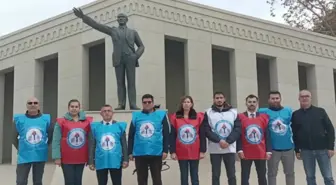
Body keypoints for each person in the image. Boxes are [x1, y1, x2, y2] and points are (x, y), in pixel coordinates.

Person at [73, 7, 144, 110]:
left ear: (126, 19)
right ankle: (121, 104)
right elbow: (97, 26)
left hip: (130, 59)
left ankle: (133, 104)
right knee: (120, 83)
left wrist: (136, 56)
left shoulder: (133, 32)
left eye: (123, 17)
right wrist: (84, 17)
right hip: (118, 59)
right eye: (119, 18)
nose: (121, 19)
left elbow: (141, 46)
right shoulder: (113, 31)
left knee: (131, 82)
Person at [291, 89, 335, 185]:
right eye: (302, 96)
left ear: (311, 98)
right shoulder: (295, 115)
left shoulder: (320, 111)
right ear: (299, 99)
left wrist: (331, 147)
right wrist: (297, 150)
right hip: (306, 151)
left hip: (322, 149)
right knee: (310, 177)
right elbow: (294, 133)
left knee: (328, 176)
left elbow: (330, 130)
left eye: (307, 96)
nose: (304, 98)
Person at [128, 94, 169, 185]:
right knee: (141, 180)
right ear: (142, 104)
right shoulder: (136, 116)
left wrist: (165, 150)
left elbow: (166, 134)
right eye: (144, 102)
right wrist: (130, 152)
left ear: (153, 103)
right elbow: (131, 135)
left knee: (157, 179)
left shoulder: (161, 115)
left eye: (149, 102)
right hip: (140, 152)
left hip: (156, 152)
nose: (147, 104)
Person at [202, 91, 242, 185]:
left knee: (231, 175)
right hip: (215, 148)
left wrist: (228, 141)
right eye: (217, 98)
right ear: (214, 99)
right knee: (215, 175)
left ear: (224, 99)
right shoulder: (208, 113)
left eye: (221, 97)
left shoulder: (234, 112)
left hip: (229, 148)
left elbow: (237, 129)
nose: (219, 100)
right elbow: (207, 130)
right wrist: (219, 140)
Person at [52, 99, 93, 185]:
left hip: (81, 157)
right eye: (72, 106)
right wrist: (57, 157)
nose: (74, 109)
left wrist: (90, 157)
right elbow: (56, 140)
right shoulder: (61, 122)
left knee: (78, 181)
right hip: (66, 157)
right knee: (69, 181)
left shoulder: (87, 121)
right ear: (68, 108)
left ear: (79, 108)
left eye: (76, 107)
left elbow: (90, 139)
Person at [13, 97, 53, 185]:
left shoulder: (46, 119)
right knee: (21, 181)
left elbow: (51, 135)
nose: (33, 105)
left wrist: (44, 146)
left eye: (35, 103)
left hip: (40, 154)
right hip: (24, 155)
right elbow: (13, 137)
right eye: (30, 103)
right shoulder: (19, 119)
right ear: (26, 105)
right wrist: (21, 149)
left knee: (38, 181)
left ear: (39, 105)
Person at [259, 91, 295, 185]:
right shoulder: (263, 112)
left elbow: (295, 126)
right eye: (272, 98)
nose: (275, 100)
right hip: (272, 149)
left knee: (290, 173)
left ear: (280, 99)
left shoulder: (288, 110)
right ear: (268, 100)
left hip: (288, 148)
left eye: (277, 98)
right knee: (271, 174)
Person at [169, 95, 206, 185]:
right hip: (181, 150)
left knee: (194, 176)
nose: (186, 104)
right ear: (181, 104)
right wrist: (172, 151)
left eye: (188, 102)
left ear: (192, 104)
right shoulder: (175, 117)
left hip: (195, 150)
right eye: (184, 102)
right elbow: (172, 136)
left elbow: (202, 135)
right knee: (184, 176)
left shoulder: (198, 117)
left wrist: (202, 150)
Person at [88, 104, 129, 185]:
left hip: (116, 160)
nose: (107, 113)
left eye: (109, 111)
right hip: (100, 160)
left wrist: (125, 159)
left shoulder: (120, 126)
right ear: (101, 113)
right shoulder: (95, 127)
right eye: (104, 111)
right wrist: (91, 161)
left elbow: (124, 144)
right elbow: (92, 145)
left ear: (112, 113)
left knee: (117, 182)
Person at [237, 94, 271, 185]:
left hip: (260, 151)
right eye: (249, 102)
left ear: (257, 103)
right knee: (245, 176)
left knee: (262, 176)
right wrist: (239, 149)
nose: (252, 104)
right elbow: (239, 135)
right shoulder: (240, 117)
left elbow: (267, 135)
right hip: (246, 152)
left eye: (254, 102)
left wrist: (268, 151)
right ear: (246, 103)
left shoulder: (264, 117)